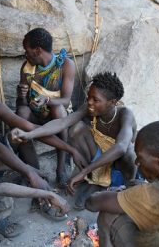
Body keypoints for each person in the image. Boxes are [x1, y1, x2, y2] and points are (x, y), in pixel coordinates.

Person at [0, 58, 86, 219]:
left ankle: (38, 189)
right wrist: (30, 173)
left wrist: (71, 149)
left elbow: (31, 129)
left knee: (20, 134)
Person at [12, 72, 137, 209]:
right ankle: (95, 182)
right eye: (89, 97)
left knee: (129, 152)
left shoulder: (125, 115)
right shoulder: (90, 108)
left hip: (119, 166)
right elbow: (62, 123)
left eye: (95, 100)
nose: (89, 102)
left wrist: (83, 172)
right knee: (76, 129)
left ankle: (128, 190)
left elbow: (121, 147)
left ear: (112, 102)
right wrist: (30, 134)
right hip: (98, 161)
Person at [16, 28, 76, 188]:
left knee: (59, 110)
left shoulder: (65, 65)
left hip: (57, 116)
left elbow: (65, 101)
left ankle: (61, 167)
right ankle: (33, 170)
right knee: (21, 113)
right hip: (36, 115)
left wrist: (47, 101)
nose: (25, 54)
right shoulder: (27, 68)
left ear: (37, 50)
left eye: (27, 50)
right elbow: (21, 106)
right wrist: (21, 96)